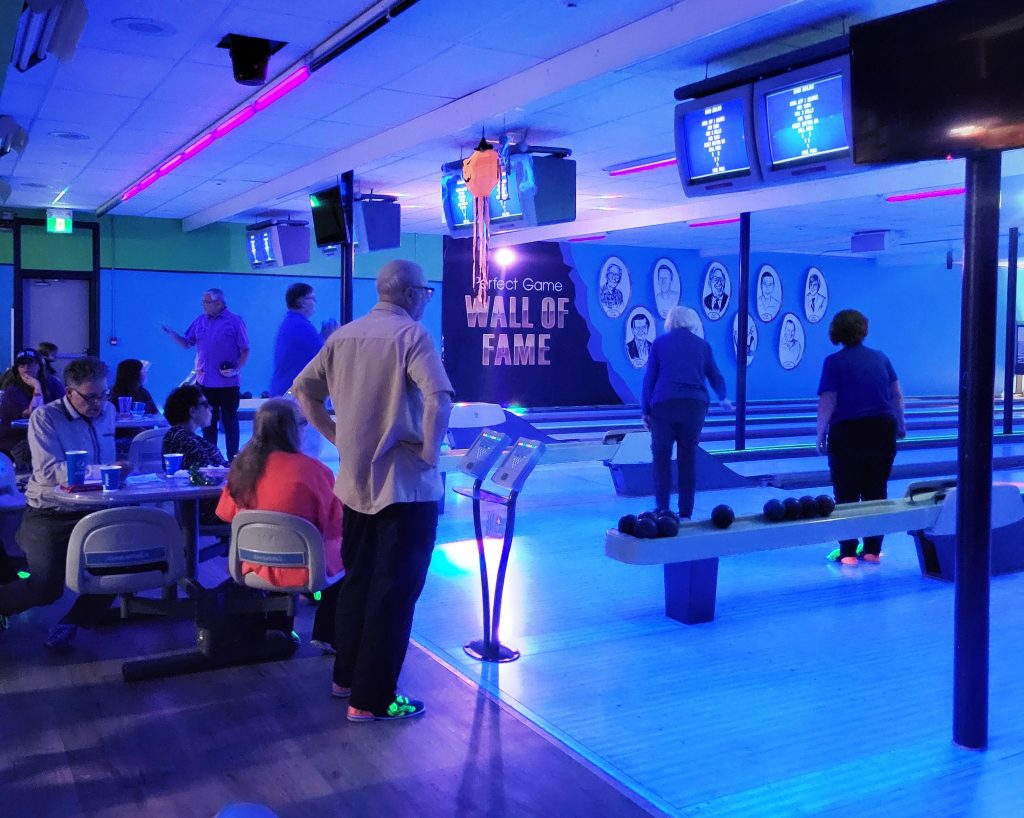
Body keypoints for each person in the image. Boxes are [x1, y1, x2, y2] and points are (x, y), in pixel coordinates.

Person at [293, 259, 453, 723]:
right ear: (410, 293)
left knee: (358, 583)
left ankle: (346, 679)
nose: (426, 299)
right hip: (404, 489)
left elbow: (303, 391)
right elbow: (439, 398)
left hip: (355, 487)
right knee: (395, 593)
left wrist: (335, 435)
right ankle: (375, 697)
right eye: (426, 291)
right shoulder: (412, 337)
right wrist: (429, 452)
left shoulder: (342, 336)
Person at [0, 356, 118, 648]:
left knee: (121, 564)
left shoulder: (109, 411)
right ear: (69, 392)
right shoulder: (45, 418)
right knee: (45, 587)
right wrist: (105, 472)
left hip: (98, 506)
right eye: (90, 397)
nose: (98, 404)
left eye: (103, 395)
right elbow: (50, 473)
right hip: (52, 511)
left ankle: (74, 622)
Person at [215, 399, 343, 652]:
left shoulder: (241, 469)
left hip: (252, 566)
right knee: (350, 553)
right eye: (303, 423)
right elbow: (335, 525)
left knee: (279, 545)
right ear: (292, 429)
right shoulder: (315, 471)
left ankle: (278, 627)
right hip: (305, 568)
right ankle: (329, 633)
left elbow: (225, 514)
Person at [816, 309, 906, 565]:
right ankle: (872, 551)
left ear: (836, 332)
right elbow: (896, 395)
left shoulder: (833, 362)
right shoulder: (881, 358)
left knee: (845, 493)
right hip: (882, 428)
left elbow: (828, 400)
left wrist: (820, 432)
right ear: (863, 329)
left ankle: (847, 554)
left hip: (848, 432)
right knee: (876, 491)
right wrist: (901, 424)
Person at [642, 307, 732, 519]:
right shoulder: (702, 345)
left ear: (670, 322)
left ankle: (663, 507)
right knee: (688, 457)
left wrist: (646, 410)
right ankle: (686, 511)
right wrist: (723, 397)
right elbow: (715, 375)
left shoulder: (659, 344)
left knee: (661, 457)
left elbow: (649, 379)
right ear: (691, 321)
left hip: (664, 405)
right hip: (694, 405)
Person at [161, 287, 249, 459]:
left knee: (230, 422)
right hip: (205, 382)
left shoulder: (235, 321)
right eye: (203, 301)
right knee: (208, 424)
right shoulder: (200, 321)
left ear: (218, 303)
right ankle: (211, 459)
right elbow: (187, 343)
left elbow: (245, 349)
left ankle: (234, 460)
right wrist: (172, 334)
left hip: (228, 383)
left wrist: (237, 368)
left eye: (206, 302)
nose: (203, 305)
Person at [0, 349, 64, 468]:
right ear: (17, 369)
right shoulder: (12, 390)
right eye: (22, 364)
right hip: (16, 441)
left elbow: (64, 408)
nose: (26, 367)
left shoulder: (53, 384)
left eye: (30, 363)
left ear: (39, 366)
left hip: (47, 434)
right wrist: (37, 387)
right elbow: (36, 414)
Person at [270, 283, 326, 397]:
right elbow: (323, 356)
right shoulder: (300, 325)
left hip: (285, 391)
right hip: (292, 394)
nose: (315, 302)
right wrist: (330, 336)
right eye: (312, 298)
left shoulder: (292, 323)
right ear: (301, 301)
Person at [162, 385, 228, 471]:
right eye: (205, 405)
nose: (211, 408)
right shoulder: (184, 441)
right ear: (192, 411)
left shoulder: (179, 437)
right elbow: (209, 474)